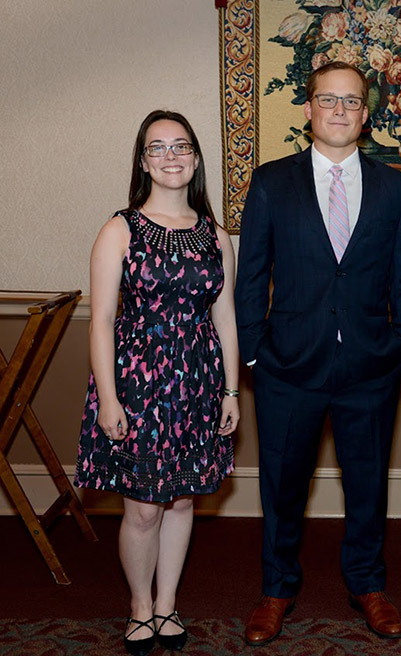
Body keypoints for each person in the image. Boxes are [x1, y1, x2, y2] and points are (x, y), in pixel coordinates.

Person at [235, 61, 401, 645]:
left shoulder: (394, 187)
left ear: (366, 115)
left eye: (352, 102)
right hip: (287, 366)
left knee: (368, 483)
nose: (339, 111)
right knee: (282, 485)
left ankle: (367, 583)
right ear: (309, 109)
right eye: (328, 100)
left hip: (370, 365)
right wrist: (256, 354)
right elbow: (251, 276)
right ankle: (277, 588)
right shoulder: (270, 182)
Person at [75, 110, 240, 656]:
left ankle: (167, 604)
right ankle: (140, 607)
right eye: (158, 148)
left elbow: (226, 319)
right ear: (143, 161)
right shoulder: (118, 228)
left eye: (181, 146)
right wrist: (109, 399)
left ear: (195, 157)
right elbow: (100, 320)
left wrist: (231, 391)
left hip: (197, 383)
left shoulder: (216, 236)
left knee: (184, 502)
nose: (171, 156)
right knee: (143, 506)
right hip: (138, 384)